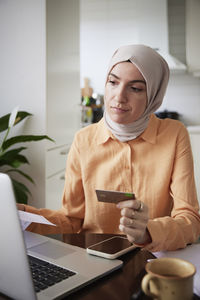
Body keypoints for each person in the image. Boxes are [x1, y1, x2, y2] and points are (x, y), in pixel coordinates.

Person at [20, 44, 200, 252]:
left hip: (154, 260)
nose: (119, 96)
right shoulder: (83, 140)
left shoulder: (174, 135)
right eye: (113, 82)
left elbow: (191, 221)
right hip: (93, 261)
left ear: (153, 95)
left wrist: (148, 231)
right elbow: (71, 220)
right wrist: (23, 216)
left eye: (135, 88)